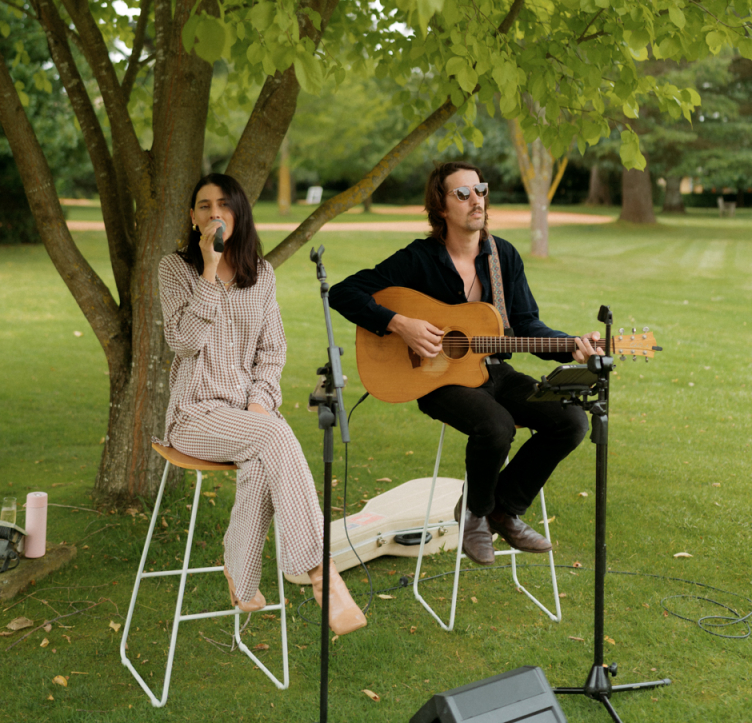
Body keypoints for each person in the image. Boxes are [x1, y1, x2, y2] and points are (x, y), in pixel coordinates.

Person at [328, 162, 603, 566]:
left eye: (481, 190)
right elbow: (343, 292)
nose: (477, 200)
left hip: (495, 371)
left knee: (571, 421)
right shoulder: (418, 259)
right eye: (463, 193)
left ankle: (501, 510)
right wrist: (400, 323)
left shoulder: (502, 256)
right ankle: (476, 515)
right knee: (496, 426)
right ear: (440, 207)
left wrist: (572, 347)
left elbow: (526, 324)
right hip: (436, 380)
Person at [157, 173, 365, 634]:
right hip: (193, 415)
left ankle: (240, 570)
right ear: (193, 218)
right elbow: (183, 342)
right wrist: (208, 271)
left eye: (223, 204)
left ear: (239, 213)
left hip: (245, 417)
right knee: (273, 435)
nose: (215, 213)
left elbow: (272, 351)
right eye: (204, 206)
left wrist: (260, 401)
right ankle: (322, 575)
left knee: (264, 450)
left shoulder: (261, 274)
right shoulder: (174, 270)